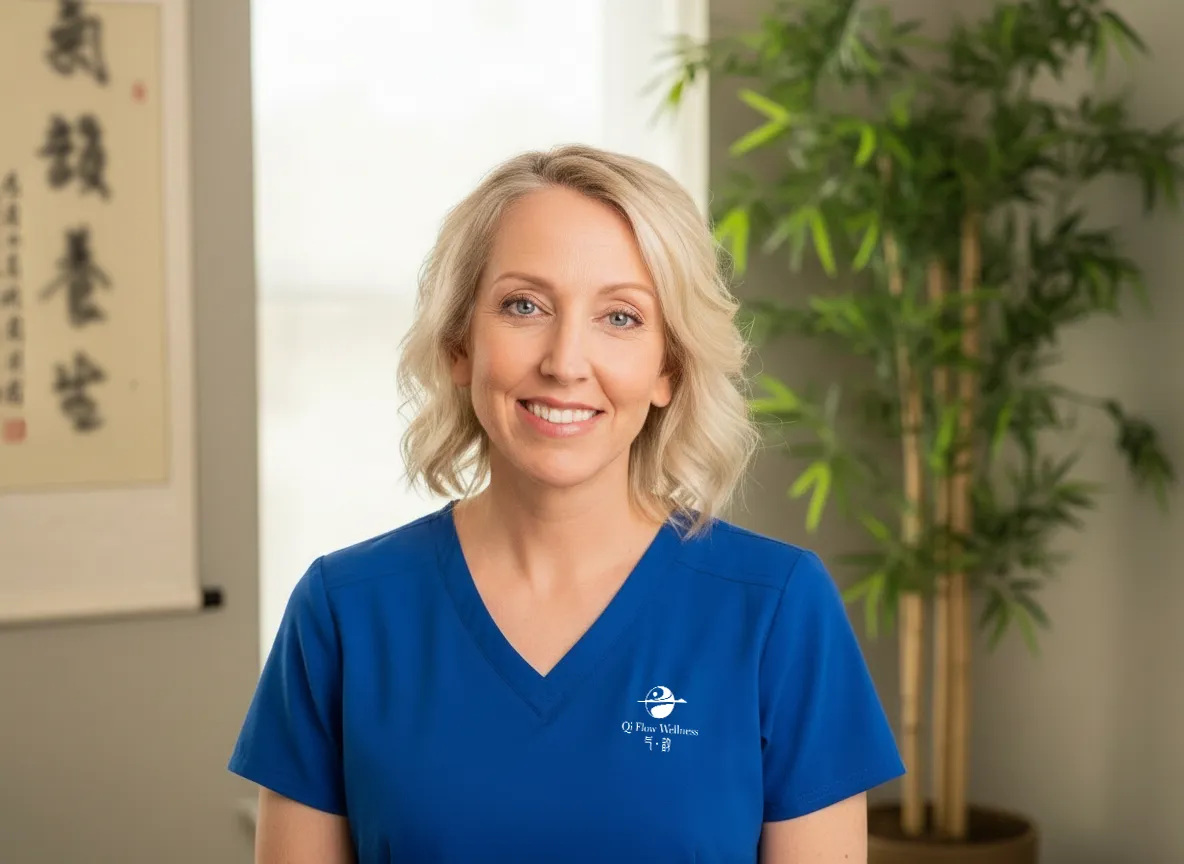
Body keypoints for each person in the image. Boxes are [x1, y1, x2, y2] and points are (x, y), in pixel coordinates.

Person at [228, 143, 905, 863]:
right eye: (524, 306)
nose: (564, 362)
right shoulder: (343, 614)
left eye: (620, 318)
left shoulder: (777, 611)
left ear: (668, 368)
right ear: (461, 344)